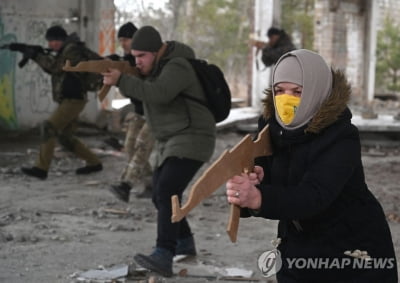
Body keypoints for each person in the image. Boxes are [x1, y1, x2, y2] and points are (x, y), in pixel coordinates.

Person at [226, 49, 398, 282]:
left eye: (297, 92)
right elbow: (267, 180)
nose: (286, 99)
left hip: (354, 251)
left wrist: (259, 198)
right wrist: (250, 188)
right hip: (298, 246)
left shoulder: (341, 135)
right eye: (279, 91)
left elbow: (314, 195)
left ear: (317, 91)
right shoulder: (272, 128)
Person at [102, 26, 216, 277]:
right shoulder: (154, 70)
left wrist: (122, 79)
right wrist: (123, 76)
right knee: (159, 194)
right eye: (134, 57)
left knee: (166, 189)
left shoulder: (177, 66)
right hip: (173, 139)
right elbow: (143, 104)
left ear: (156, 52)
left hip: (193, 137)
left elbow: (159, 94)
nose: (137, 61)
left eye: (141, 56)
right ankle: (184, 242)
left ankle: (164, 253)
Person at [21, 25, 102, 180]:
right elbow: (53, 68)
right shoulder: (65, 50)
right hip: (70, 99)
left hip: (74, 99)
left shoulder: (71, 50)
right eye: (49, 41)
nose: (51, 44)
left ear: (60, 40)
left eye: (53, 41)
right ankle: (94, 162)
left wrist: (36, 56)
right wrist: (35, 53)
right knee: (65, 137)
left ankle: (41, 169)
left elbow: (55, 67)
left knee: (48, 127)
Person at [107, 22, 155, 201]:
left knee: (142, 147)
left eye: (126, 39)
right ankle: (151, 184)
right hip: (139, 111)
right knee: (130, 147)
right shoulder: (126, 62)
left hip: (156, 112)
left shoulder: (147, 60)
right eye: (120, 40)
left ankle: (125, 185)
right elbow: (129, 91)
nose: (123, 44)